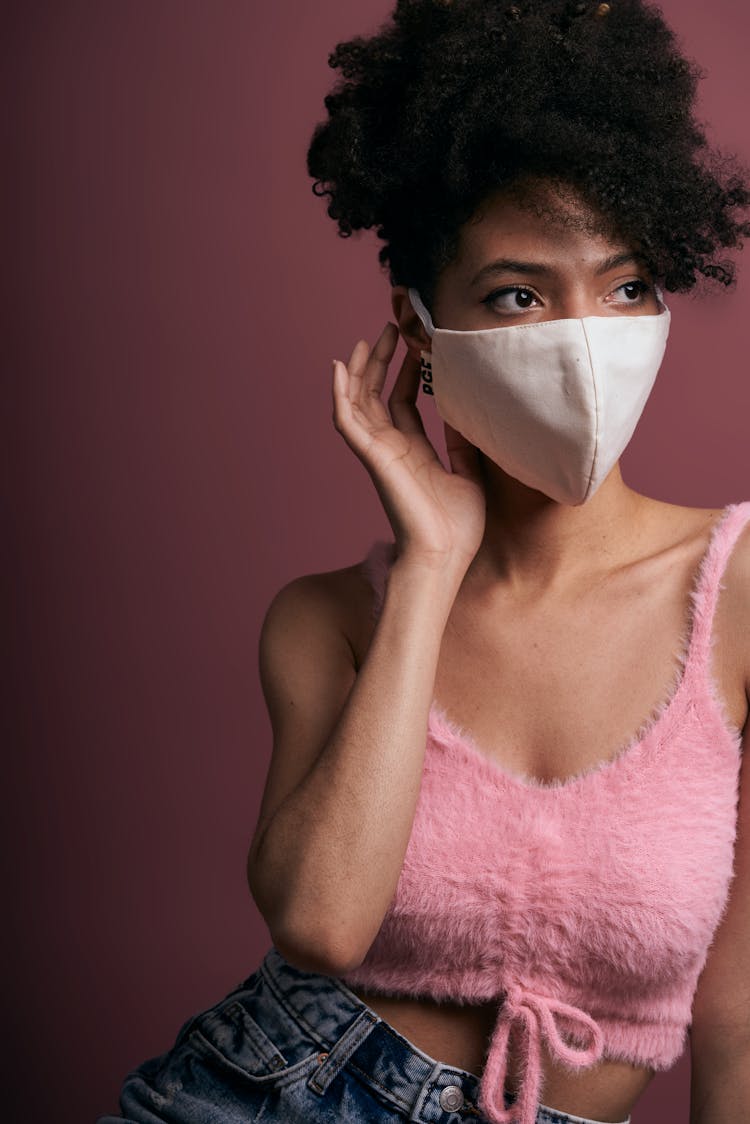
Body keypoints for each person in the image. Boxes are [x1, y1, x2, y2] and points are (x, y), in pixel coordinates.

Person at [97, 1, 750, 1122]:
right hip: (263, 1092)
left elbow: (739, 1022)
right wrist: (430, 566)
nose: (586, 336)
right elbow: (320, 921)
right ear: (419, 331)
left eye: (627, 284)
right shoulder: (326, 620)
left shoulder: (736, 588)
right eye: (518, 294)